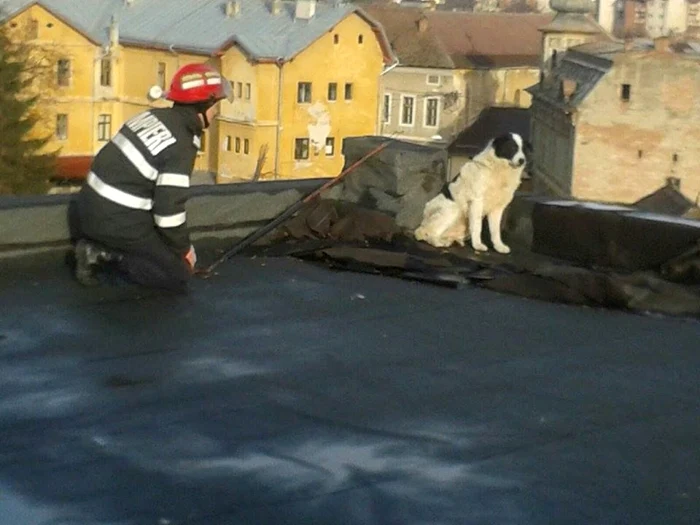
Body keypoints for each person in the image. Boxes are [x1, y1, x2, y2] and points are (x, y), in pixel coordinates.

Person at [74, 63, 233, 293]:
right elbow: (168, 213)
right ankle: (101, 254)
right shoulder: (181, 142)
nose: (217, 112)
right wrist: (184, 250)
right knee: (176, 275)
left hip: (90, 207)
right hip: (115, 220)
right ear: (203, 105)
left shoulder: (155, 116)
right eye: (216, 103)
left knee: (162, 251)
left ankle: (101, 246)